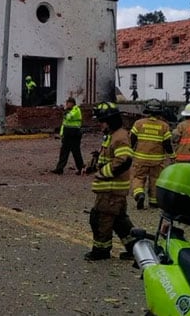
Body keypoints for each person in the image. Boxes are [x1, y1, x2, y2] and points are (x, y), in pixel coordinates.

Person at [83, 102, 136, 261]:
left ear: (110, 120)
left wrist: (103, 173)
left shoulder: (119, 137)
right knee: (119, 222)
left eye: (101, 121)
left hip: (111, 190)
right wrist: (94, 165)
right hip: (111, 190)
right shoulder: (112, 135)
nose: (99, 124)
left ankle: (101, 251)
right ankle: (135, 249)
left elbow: (124, 160)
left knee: (100, 219)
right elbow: (109, 158)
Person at [130, 99, 173, 210]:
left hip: (140, 159)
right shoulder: (164, 126)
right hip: (157, 160)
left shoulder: (139, 123)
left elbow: (132, 140)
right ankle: (154, 202)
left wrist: (128, 152)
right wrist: (172, 156)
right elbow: (167, 144)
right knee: (155, 180)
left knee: (138, 177)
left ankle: (139, 194)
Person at [51, 97, 85, 175]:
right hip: (68, 134)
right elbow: (64, 124)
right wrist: (62, 134)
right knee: (64, 152)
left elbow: (69, 117)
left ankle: (81, 168)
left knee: (76, 152)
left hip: (74, 134)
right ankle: (59, 169)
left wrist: (65, 111)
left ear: (72, 103)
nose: (67, 104)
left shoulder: (76, 110)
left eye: (68, 103)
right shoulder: (69, 110)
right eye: (66, 103)